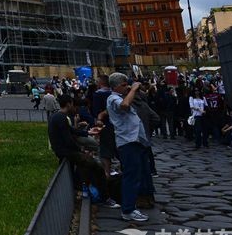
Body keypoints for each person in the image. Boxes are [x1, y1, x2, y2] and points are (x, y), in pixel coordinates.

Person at [48, 95, 119, 208]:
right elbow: (68, 138)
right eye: (72, 104)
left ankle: (83, 189)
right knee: (97, 166)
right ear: (68, 104)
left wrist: (89, 133)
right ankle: (105, 198)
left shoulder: (57, 116)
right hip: (67, 152)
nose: (74, 107)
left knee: (86, 167)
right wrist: (81, 150)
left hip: (64, 151)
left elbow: (72, 131)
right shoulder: (61, 118)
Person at [106, 72, 154, 223]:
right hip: (127, 142)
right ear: (115, 86)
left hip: (135, 141)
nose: (127, 87)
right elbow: (125, 106)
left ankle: (132, 206)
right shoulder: (113, 98)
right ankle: (128, 209)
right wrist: (133, 89)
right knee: (131, 176)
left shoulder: (119, 97)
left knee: (135, 175)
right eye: (124, 85)